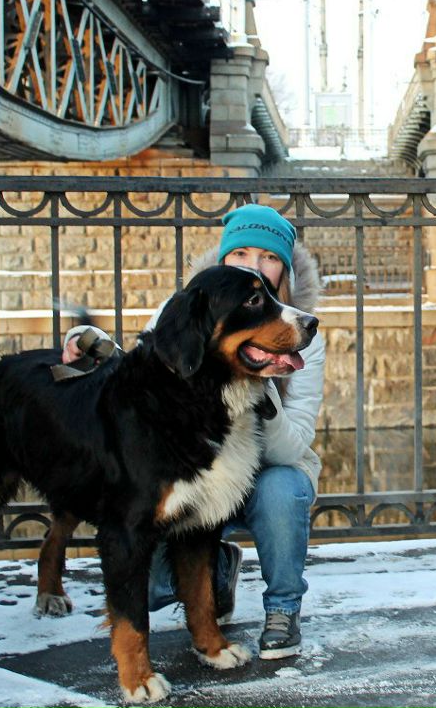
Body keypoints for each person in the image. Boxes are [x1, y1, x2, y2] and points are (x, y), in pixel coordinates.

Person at [62, 204, 325, 660]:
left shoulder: (302, 335)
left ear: (284, 270)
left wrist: (261, 385)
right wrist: (94, 339)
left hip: (264, 470)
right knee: (151, 582)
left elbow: (293, 444)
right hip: (197, 471)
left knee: (283, 489)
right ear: (224, 260)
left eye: (268, 257)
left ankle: (283, 609)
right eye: (240, 252)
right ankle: (215, 570)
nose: (252, 264)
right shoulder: (186, 307)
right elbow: (146, 374)